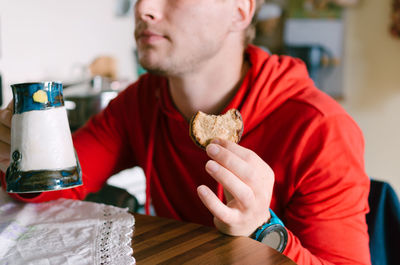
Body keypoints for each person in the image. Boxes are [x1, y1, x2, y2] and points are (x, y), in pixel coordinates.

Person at [0, 0, 371, 264]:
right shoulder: (141, 101)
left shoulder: (321, 129)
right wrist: (18, 158)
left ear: (240, 10)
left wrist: (262, 229)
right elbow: (55, 188)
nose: (144, 7)